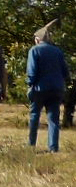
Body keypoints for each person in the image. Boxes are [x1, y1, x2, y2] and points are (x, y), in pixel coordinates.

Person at [27, 19, 69, 153]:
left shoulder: (34, 50)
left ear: (37, 39)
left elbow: (32, 71)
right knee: (54, 119)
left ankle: (31, 145)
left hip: (39, 89)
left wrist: (30, 84)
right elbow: (65, 71)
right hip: (57, 88)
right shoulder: (58, 51)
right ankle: (53, 148)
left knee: (34, 117)